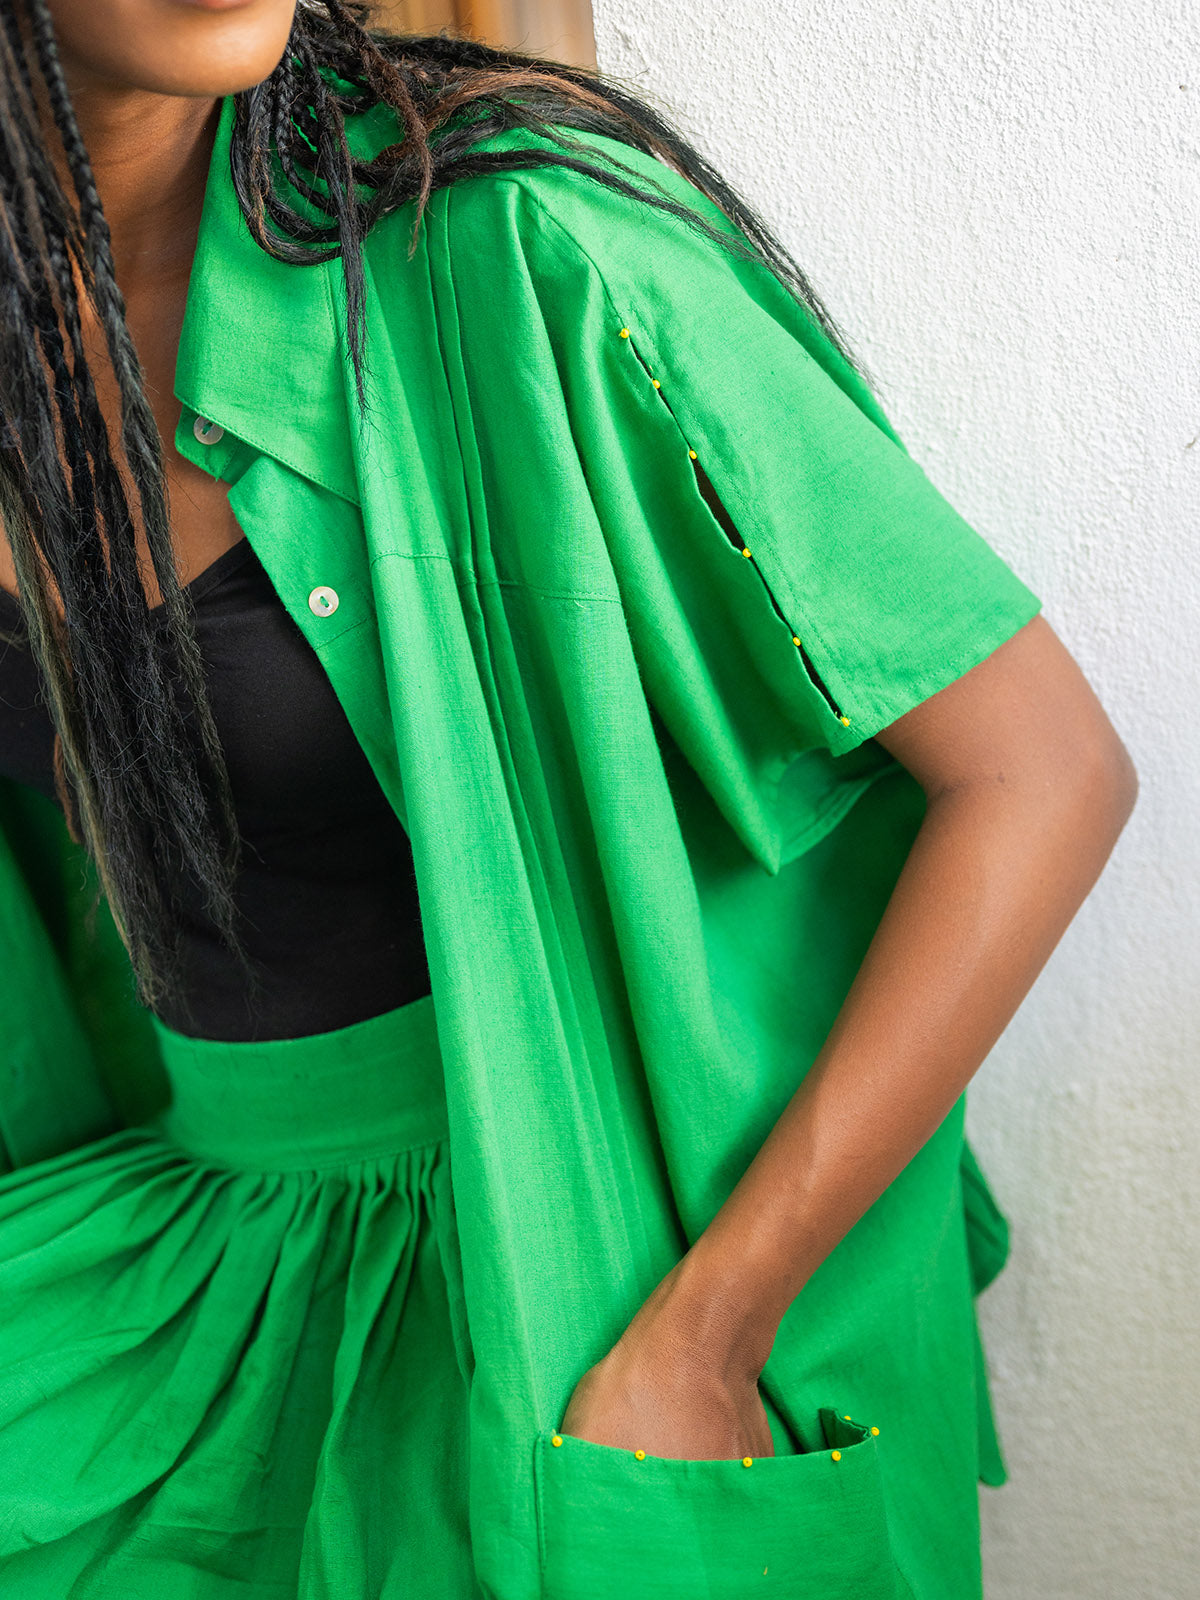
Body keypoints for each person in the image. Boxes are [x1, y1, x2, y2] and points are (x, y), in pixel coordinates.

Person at [0, 0, 1138, 1596]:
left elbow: (1040, 771)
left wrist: (707, 1334)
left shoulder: (517, 243)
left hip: (582, 1276)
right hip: (192, 1258)